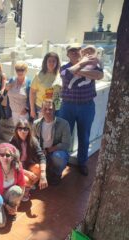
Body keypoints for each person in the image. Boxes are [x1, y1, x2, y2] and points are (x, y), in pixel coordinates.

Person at [59, 43, 104, 176]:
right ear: (67, 54)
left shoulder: (92, 64)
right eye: (71, 51)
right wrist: (82, 65)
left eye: (77, 50)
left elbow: (99, 75)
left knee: (84, 136)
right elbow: (66, 75)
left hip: (86, 106)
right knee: (65, 135)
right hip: (68, 106)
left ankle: (82, 162)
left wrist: (78, 69)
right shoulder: (64, 67)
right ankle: (62, 161)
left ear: (81, 52)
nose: (74, 52)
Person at [33, 100, 71, 185]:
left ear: (54, 110)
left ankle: (57, 174)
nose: (47, 111)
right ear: (41, 110)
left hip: (55, 151)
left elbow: (66, 144)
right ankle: (44, 171)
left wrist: (48, 150)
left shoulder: (64, 124)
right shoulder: (36, 123)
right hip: (41, 151)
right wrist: (39, 151)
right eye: (45, 109)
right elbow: (33, 140)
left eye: (50, 109)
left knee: (58, 157)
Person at [0, 143, 25, 227]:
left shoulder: (17, 166)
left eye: (8, 155)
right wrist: (5, 205)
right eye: (1, 154)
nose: (4, 157)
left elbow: (22, 185)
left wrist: (17, 203)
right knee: (1, 224)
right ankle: (4, 208)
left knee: (17, 190)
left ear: (12, 157)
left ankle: (11, 210)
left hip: (9, 195)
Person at [10, 119, 48, 201]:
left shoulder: (33, 140)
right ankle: (27, 187)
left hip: (28, 164)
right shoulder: (13, 142)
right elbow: (12, 163)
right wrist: (27, 173)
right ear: (16, 130)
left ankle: (27, 186)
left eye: (25, 129)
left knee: (38, 168)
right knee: (27, 179)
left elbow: (41, 156)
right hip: (16, 168)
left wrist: (43, 174)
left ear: (29, 130)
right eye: (20, 129)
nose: (22, 131)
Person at [30, 52, 61, 119]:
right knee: (42, 128)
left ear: (57, 62)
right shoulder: (39, 75)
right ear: (45, 62)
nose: (52, 63)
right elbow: (32, 93)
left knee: (54, 128)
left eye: (54, 61)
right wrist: (32, 110)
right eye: (49, 61)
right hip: (41, 107)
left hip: (56, 108)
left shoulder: (60, 75)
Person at [5, 61, 31, 126]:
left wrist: (26, 109)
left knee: (24, 131)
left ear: (26, 70)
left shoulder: (28, 82)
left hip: (24, 113)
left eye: (22, 70)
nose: (19, 72)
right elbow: (6, 93)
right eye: (18, 70)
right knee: (16, 131)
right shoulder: (12, 80)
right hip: (13, 112)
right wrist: (6, 88)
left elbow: (31, 97)